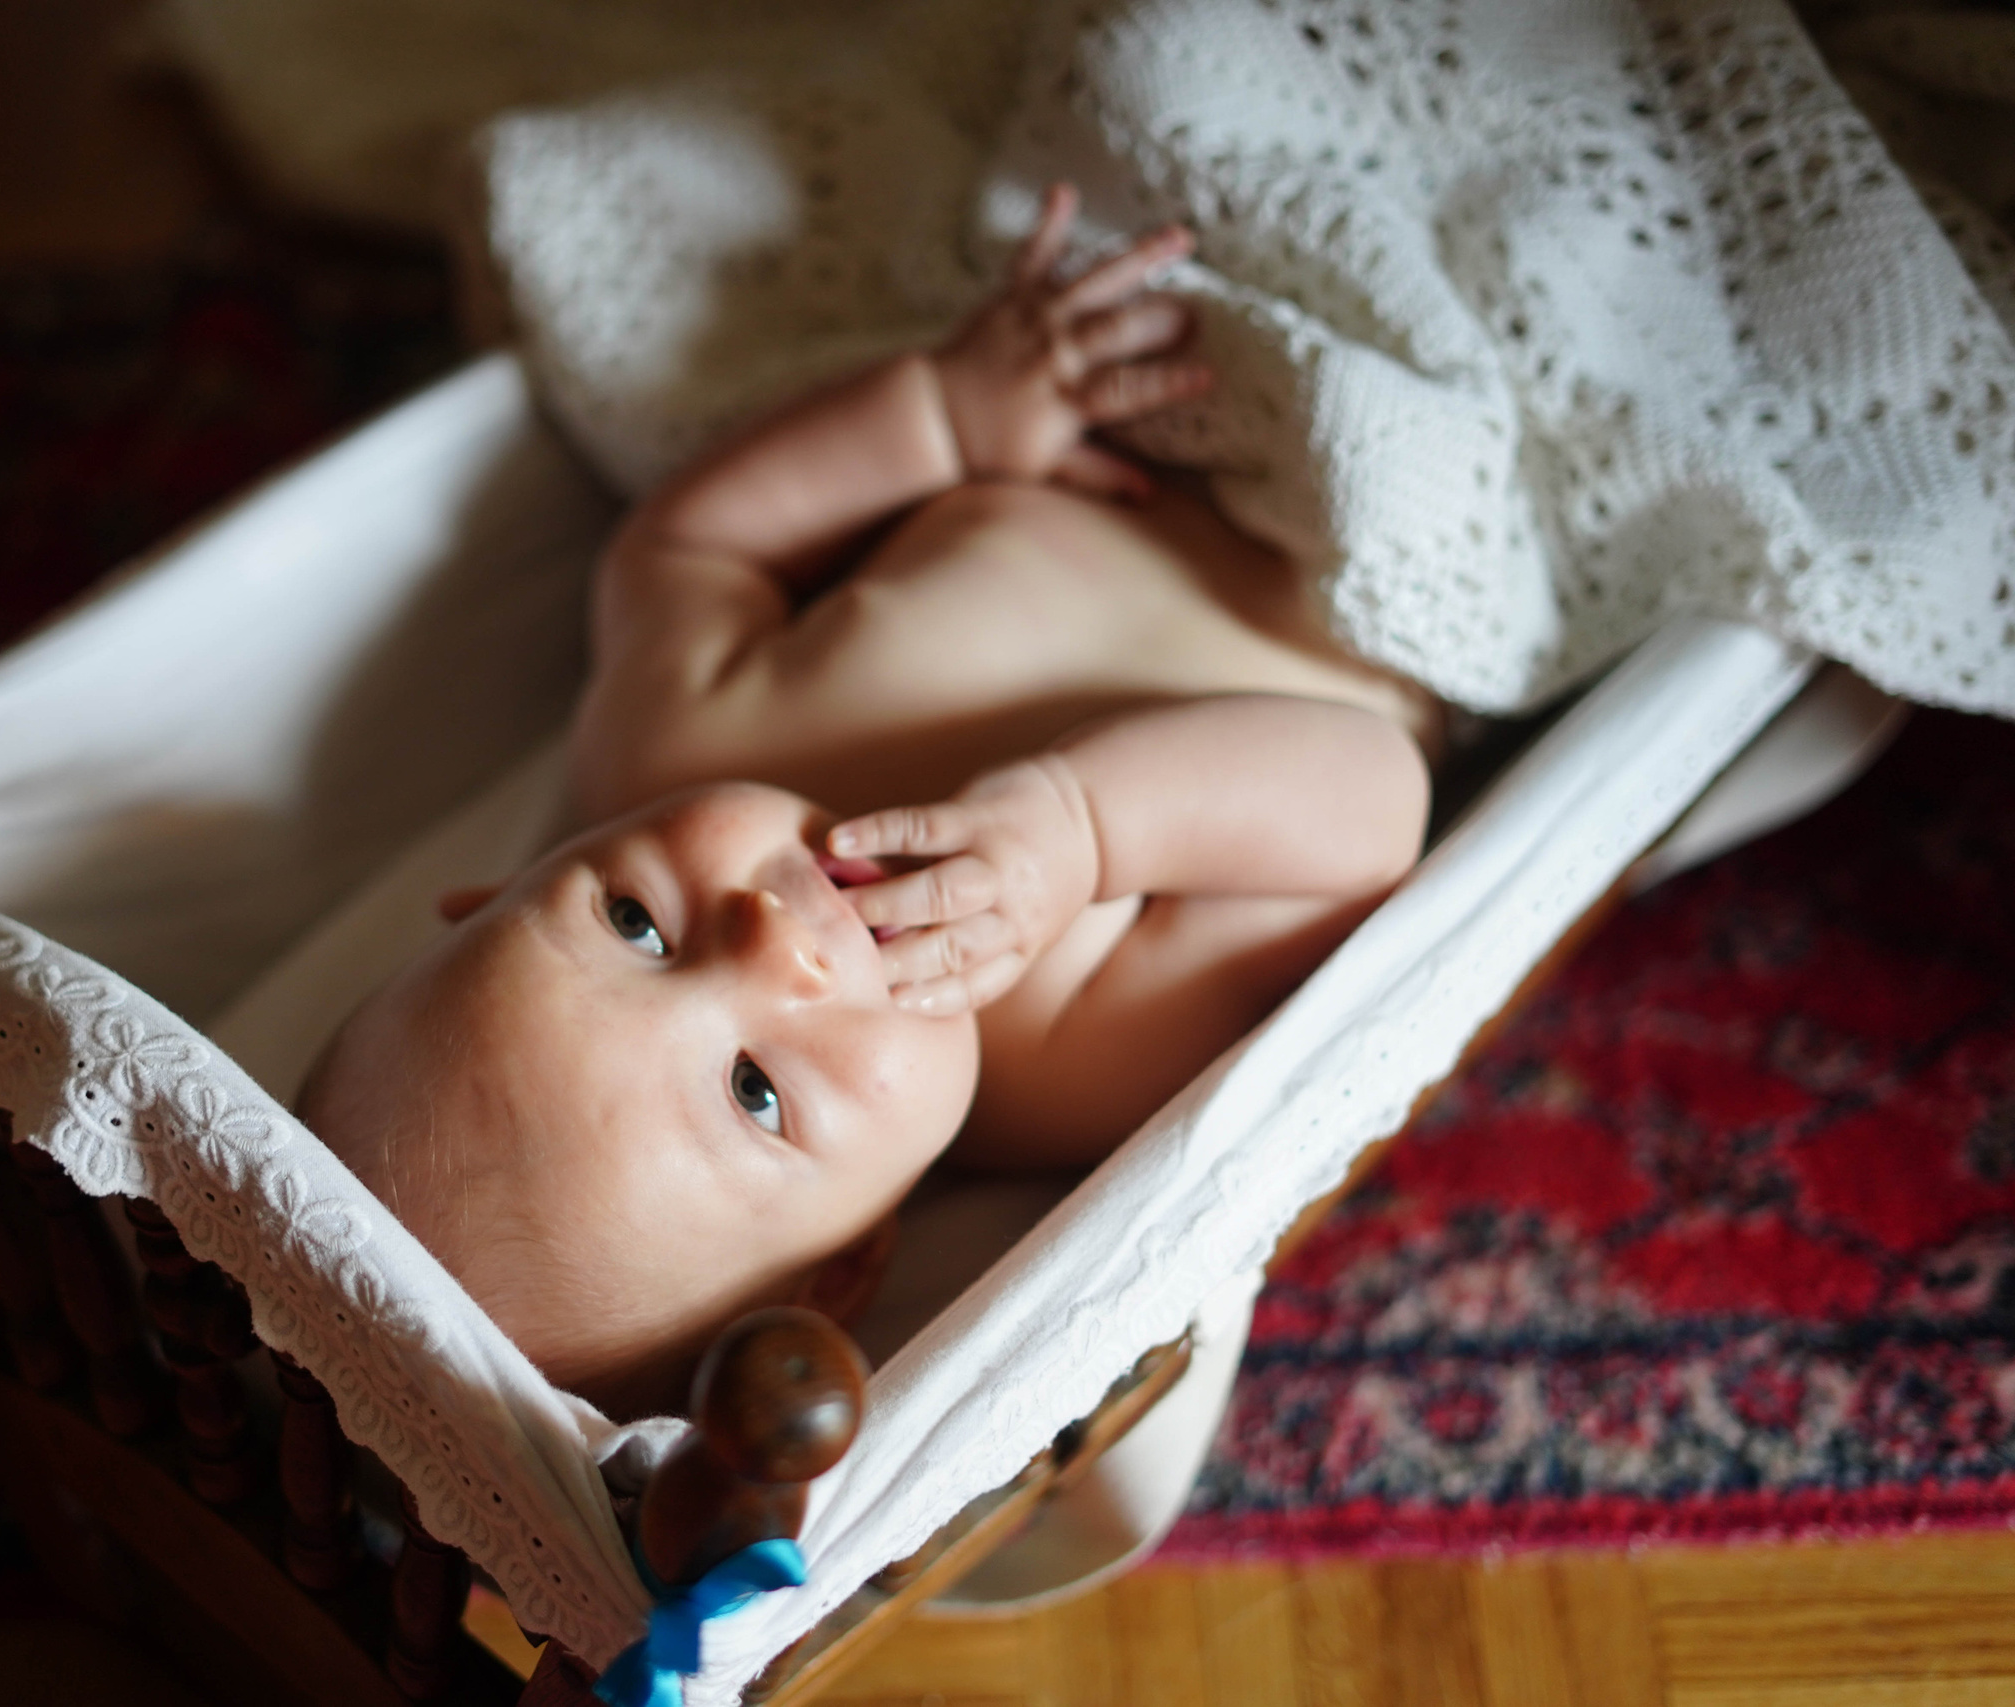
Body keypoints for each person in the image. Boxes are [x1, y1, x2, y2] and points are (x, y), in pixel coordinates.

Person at [300, 185, 1437, 1416]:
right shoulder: (1062, 1052)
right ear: (848, 1261)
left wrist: (941, 420)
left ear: (499, 891)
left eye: (636, 927)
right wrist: (1081, 828)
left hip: (1130, 375)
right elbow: (1379, 800)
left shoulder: (662, 742)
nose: (768, 944)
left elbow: (690, 549)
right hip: (1375, 553)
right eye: (755, 1091)